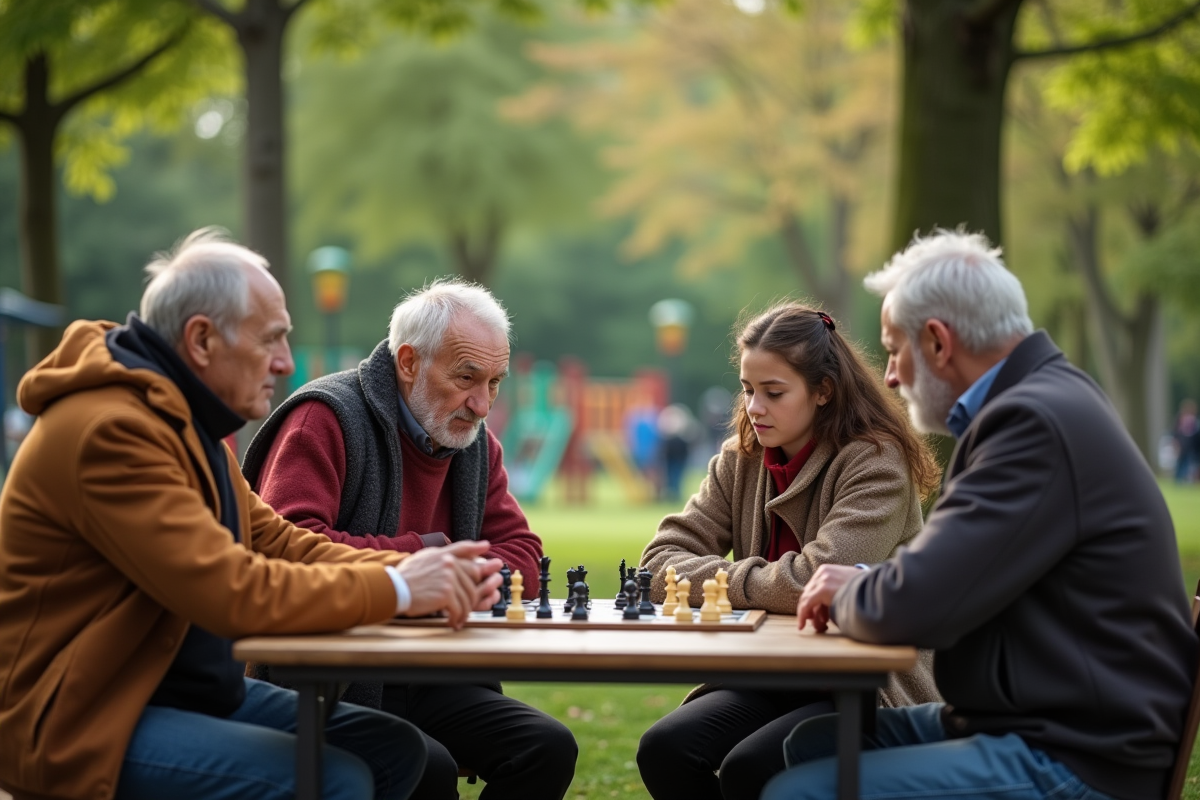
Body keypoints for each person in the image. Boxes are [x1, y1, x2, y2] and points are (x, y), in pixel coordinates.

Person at [0, 228, 503, 800]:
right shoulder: (113, 431)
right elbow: (231, 590)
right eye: (271, 339)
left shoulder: (187, 426)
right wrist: (399, 588)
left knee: (396, 748)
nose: (285, 363)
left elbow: (282, 542)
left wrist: (410, 573)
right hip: (84, 717)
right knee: (336, 778)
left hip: (168, 686)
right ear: (201, 340)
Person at [767, 230, 1198, 800]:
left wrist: (851, 594)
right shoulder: (1045, 400)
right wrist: (870, 581)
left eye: (895, 351)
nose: (890, 376)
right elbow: (949, 571)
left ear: (939, 342)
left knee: (800, 791)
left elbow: (922, 603)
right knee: (810, 745)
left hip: (1077, 755)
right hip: (1032, 720)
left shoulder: (1031, 424)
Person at [242, 277, 577, 800]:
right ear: (408, 362)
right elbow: (286, 547)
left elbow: (525, 556)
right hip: (332, 676)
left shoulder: (472, 442)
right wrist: (429, 560)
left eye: (495, 383)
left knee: (547, 747)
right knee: (428, 768)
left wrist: (451, 575)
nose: (483, 404)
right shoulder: (323, 419)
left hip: (436, 671)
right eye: (468, 377)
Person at [637, 302, 943, 800]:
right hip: (770, 671)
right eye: (748, 389)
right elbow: (657, 563)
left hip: (862, 683)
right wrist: (757, 583)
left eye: (773, 392)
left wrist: (724, 581)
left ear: (823, 391)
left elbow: (818, 580)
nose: (754, 408)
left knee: (749, 770)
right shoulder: (741, 458)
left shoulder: (876, 462)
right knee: (665, 749)